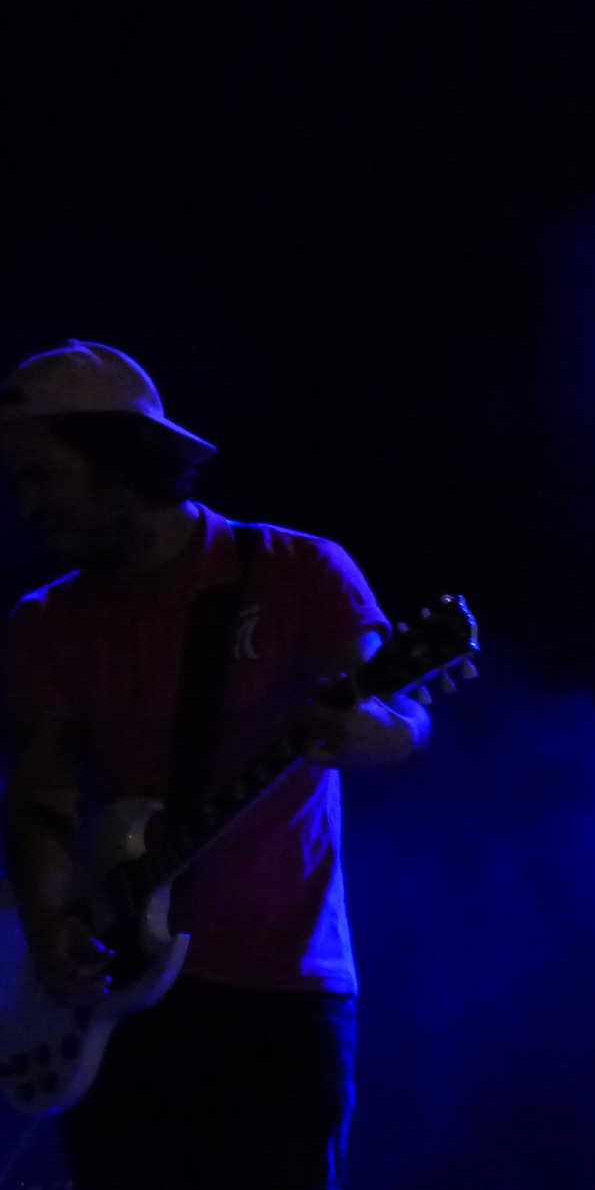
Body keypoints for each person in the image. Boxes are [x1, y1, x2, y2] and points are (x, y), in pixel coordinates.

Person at [0, 340, 430, 1190]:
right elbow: (38, 790)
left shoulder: (298, 571)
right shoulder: (46, 622)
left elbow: (403, 717)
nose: (25, 504)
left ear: (115, 459)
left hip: (281, 992)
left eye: (41, 474)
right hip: (117, 1004)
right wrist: (50, 925)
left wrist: (370, 733)